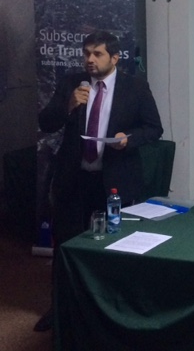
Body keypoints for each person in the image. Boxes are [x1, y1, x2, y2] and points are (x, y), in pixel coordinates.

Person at [34, 30, 163, 331]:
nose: (90, 60)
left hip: (114, 182)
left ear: (115, 58)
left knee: (113, 247)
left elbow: (154, 128)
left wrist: (128, 139)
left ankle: (110, 310)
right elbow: (46, 122)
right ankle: (60, 307)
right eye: (86, 54)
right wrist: (68, 106)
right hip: (74, 180)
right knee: (66, 247)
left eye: (97, 54)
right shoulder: (72, 84)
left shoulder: (135, 87)